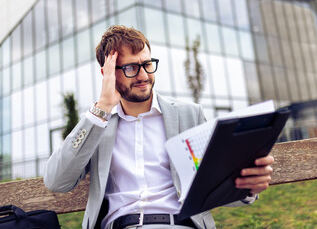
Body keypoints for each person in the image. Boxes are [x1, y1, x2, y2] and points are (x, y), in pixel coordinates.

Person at [44, 25, 274, 229]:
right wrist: (102, 107)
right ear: (108, 74)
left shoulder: (188, 114)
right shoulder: (97, 124)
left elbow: (214, 185)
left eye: (147, 64)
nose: (143, 75)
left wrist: (248, 187)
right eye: (131, 68)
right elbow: (57, 181)